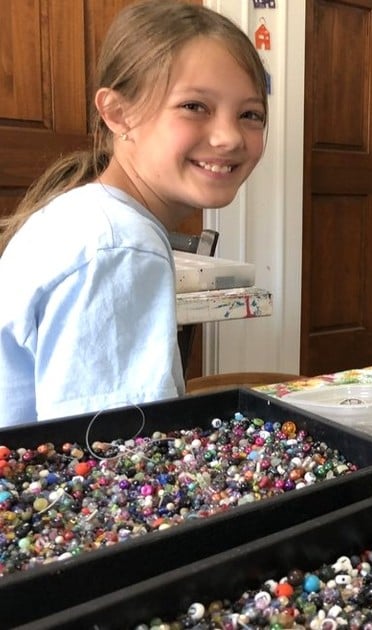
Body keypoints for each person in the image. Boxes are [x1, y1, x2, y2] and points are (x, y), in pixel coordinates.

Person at [0, 1, 268, 426]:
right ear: (118, 113)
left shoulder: (89, 215)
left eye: (250, 114)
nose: (229, 136)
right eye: (194, 106)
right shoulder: (120, 246)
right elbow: (112, 462)